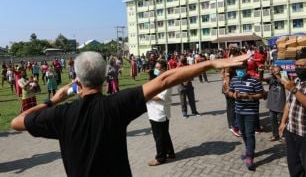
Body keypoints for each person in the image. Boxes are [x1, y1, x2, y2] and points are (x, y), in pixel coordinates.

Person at [11, 51, 248, 176]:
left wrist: (52, 100)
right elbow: (165, 79)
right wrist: (212, 64)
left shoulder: (61, 115)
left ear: (76, 81)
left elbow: (17, 122)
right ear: (105, 78)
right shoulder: (115, 105)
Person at [227, 61, 264, 170]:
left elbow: (261, 94)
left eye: (241, 69)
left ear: (246, 68)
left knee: (250, 134)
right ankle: (249, 150)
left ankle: (250, 156)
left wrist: (248, 96)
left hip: (251, 112)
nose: (239, 71)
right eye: (237, 69)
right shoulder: (234, 79)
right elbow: (229, 91)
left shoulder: (254, 80)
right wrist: (232, 94)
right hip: (238, 112)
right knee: (243, 133)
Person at [146, 60, 175, 166]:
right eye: (155, 67)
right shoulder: (157, 79)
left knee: (159, 136)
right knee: (164, 134)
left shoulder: (166, 81)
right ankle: (170, 153)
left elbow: (160, 97)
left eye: (158, 68)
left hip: (159, 113)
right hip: (154, 112)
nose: (156, 70)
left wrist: (147, 96)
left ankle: (160, 158)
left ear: (164, 69)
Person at [265, 65, 286, 141]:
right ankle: (275, 135)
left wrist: (277, 75)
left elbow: (284, 83)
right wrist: (260, 71)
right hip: (272, 103)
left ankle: (284, 135)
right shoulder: (271, 78)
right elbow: (261, 79)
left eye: (276, 70)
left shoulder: (284, 75)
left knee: (281, 119)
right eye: (273, 70)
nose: (273, 71)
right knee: (272, 119)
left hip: (281, 103)